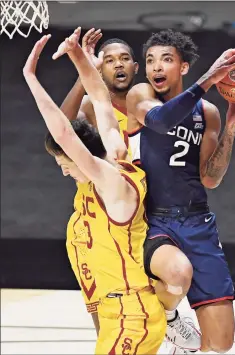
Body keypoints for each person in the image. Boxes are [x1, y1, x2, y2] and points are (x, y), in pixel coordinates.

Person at [23, 28, 166, 354]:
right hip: (122, 307)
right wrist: (79, 58)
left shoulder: (110, 182)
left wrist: (31, 77)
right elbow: (100, 99)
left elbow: (64, 133)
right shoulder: (116, 151)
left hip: (133, 314)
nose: (64, 169)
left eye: (66, 162)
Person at [126, 29, 235, 353]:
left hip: (198, 221)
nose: (156, 68)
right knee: (178, 273)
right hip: (155, 222)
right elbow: (161, 121)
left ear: (184, 67)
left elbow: (211, 178)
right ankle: (172, 320)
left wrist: (231, 126)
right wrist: (208, 79)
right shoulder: (141, 94)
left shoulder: (207, 113)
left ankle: (180, 347)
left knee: (221, 343)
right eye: (150, 61)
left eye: (166, 59)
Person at [60, 28, 139, 157]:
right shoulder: (90, 105)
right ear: (99, 71)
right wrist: (86, 70)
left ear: (135, 67)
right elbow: (60, 130)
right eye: (109, 60)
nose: (118, 64)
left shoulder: (148, 100)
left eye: (124, 58)